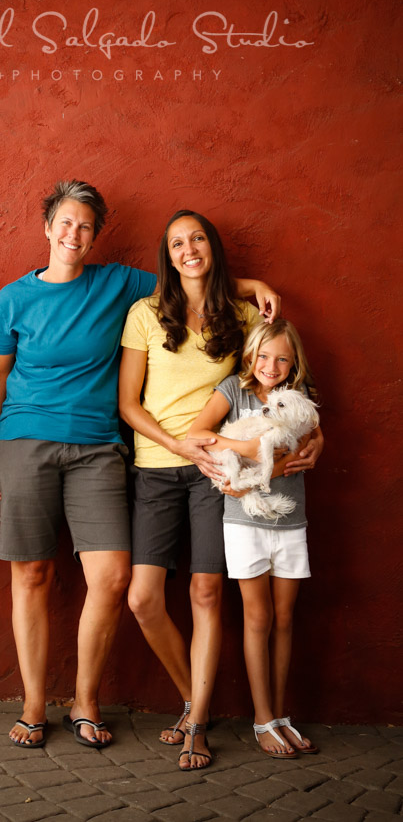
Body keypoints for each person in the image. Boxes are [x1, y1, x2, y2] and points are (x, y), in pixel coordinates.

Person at [0, 182, 278, 749]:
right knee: (32, 574)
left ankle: (85, 703)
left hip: (97, 446)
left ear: (96, 235)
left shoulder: (119, 283)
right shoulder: (12, 299)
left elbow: (190, 279)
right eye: (65, 223)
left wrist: (253, 285)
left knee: (114, 578)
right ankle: (34, 706)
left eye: (86, 226)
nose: (74, 234)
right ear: (47, 228)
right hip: (25, 440)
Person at [188, 319, 323, 758]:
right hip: (244, 523)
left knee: (285, 621)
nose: (272, 365)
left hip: (291, 522)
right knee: (257, 618)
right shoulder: (232, 390)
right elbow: (197, 437)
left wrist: (310, 445)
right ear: (251, 355)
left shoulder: (301, 400)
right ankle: (261, 719)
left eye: (282, 358)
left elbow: (307, 439)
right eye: (264, 356)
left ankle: (281, 717)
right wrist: (263, 453)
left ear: (294, 362)